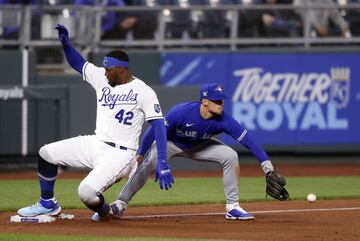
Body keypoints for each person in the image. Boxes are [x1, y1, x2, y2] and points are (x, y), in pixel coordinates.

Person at [17, 24, 174, 219]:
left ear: (122, 69)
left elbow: (158, 125)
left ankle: (107, 212)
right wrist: (66, 43)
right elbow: (78, 63)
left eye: (109, 69)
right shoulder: (103, 78)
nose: (105, 72)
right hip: (95, 143)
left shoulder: (144, 91)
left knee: (86, 193)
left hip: (121, 154)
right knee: (46, 153)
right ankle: (48, 204)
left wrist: (164, 162)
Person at [106, 83, 287, 221]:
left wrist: (268, 168)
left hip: (200, 145)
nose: (221, 103)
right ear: (205, 101)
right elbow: (155, 130)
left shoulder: (224, 120)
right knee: (151, 160)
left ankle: (233, 207)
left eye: (222, 99)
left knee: (230, 155)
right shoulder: (181, 112)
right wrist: (140, 153)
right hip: (171, 143)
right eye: (217, 100)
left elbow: (249, 141)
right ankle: (120, 203)